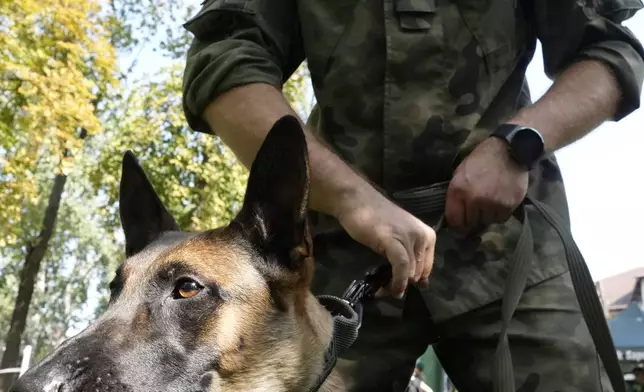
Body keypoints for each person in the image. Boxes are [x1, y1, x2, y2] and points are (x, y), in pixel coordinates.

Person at [180, 0, 644, 390]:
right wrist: (350, 198)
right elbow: (225, 54)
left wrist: (518, 144)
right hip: (345, 260)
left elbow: (609, 50)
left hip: (510, 253)